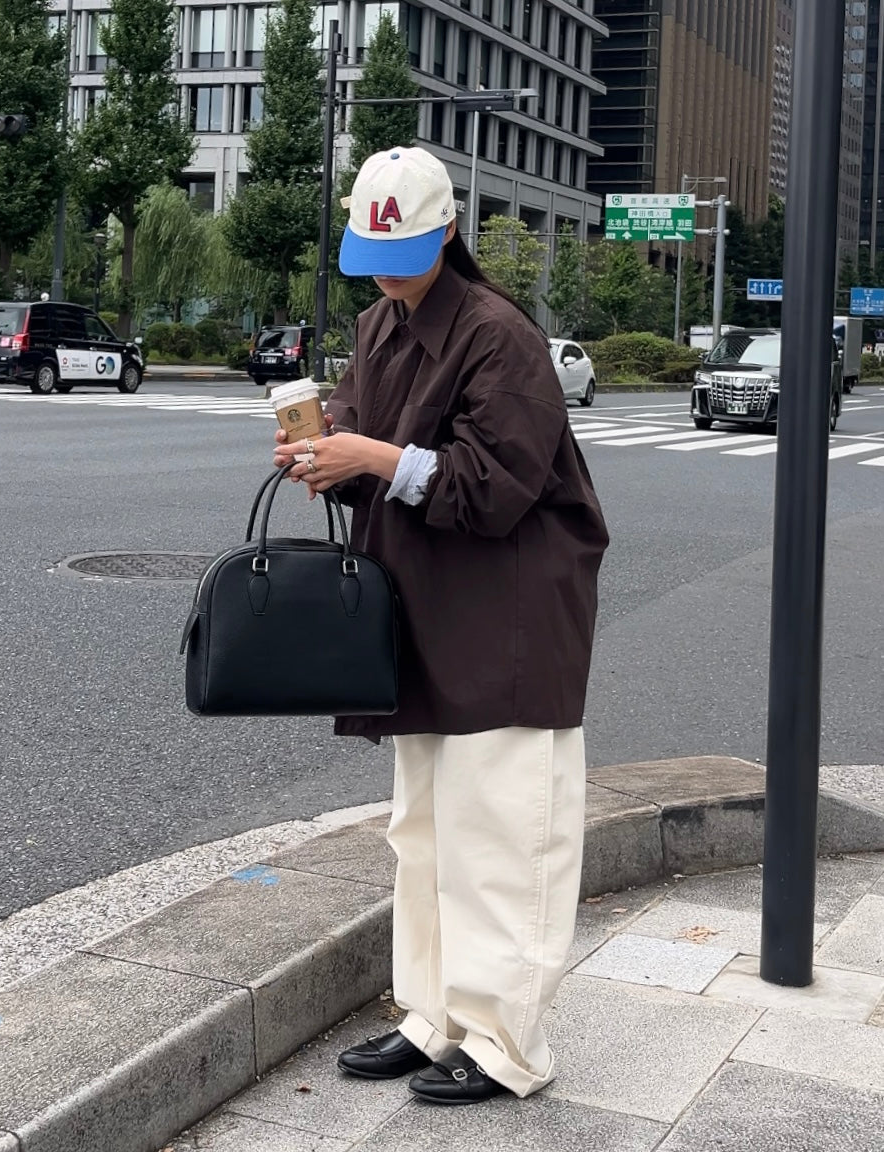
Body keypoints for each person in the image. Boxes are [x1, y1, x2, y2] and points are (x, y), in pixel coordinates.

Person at [274, 146, 609, 1105]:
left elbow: (496, 487)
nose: (386, 269)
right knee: (421, 829)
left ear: (449, 232)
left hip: (508, 611)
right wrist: (322, 454)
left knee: (503, 833)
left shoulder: (500, 334)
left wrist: (371, 456)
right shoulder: (385, 322)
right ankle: (433, 1018)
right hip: (427, 601)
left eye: (407, 247)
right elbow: (367, 439)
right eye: (374, 250)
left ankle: (506, 1043)